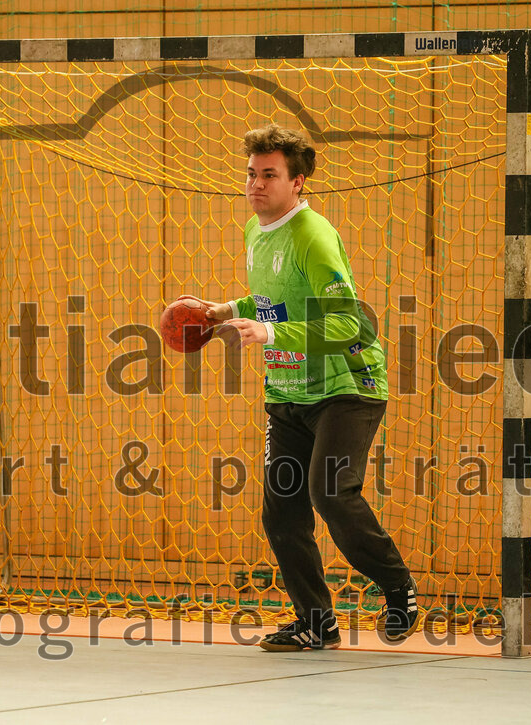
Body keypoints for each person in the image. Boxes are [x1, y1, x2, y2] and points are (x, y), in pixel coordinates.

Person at [182, 123, 418, 651]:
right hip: (289, 390)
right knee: (282, 511)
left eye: (269, 175)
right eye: (251, 174)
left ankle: (398, 586)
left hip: (347, 386)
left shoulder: (312, 236)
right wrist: (231, 309)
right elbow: (275, 301)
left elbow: (349, 325)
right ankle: (317, 621)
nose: (256, 184)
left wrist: (268, 331)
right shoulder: (254, 231)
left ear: (298, 183)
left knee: (331, 493)